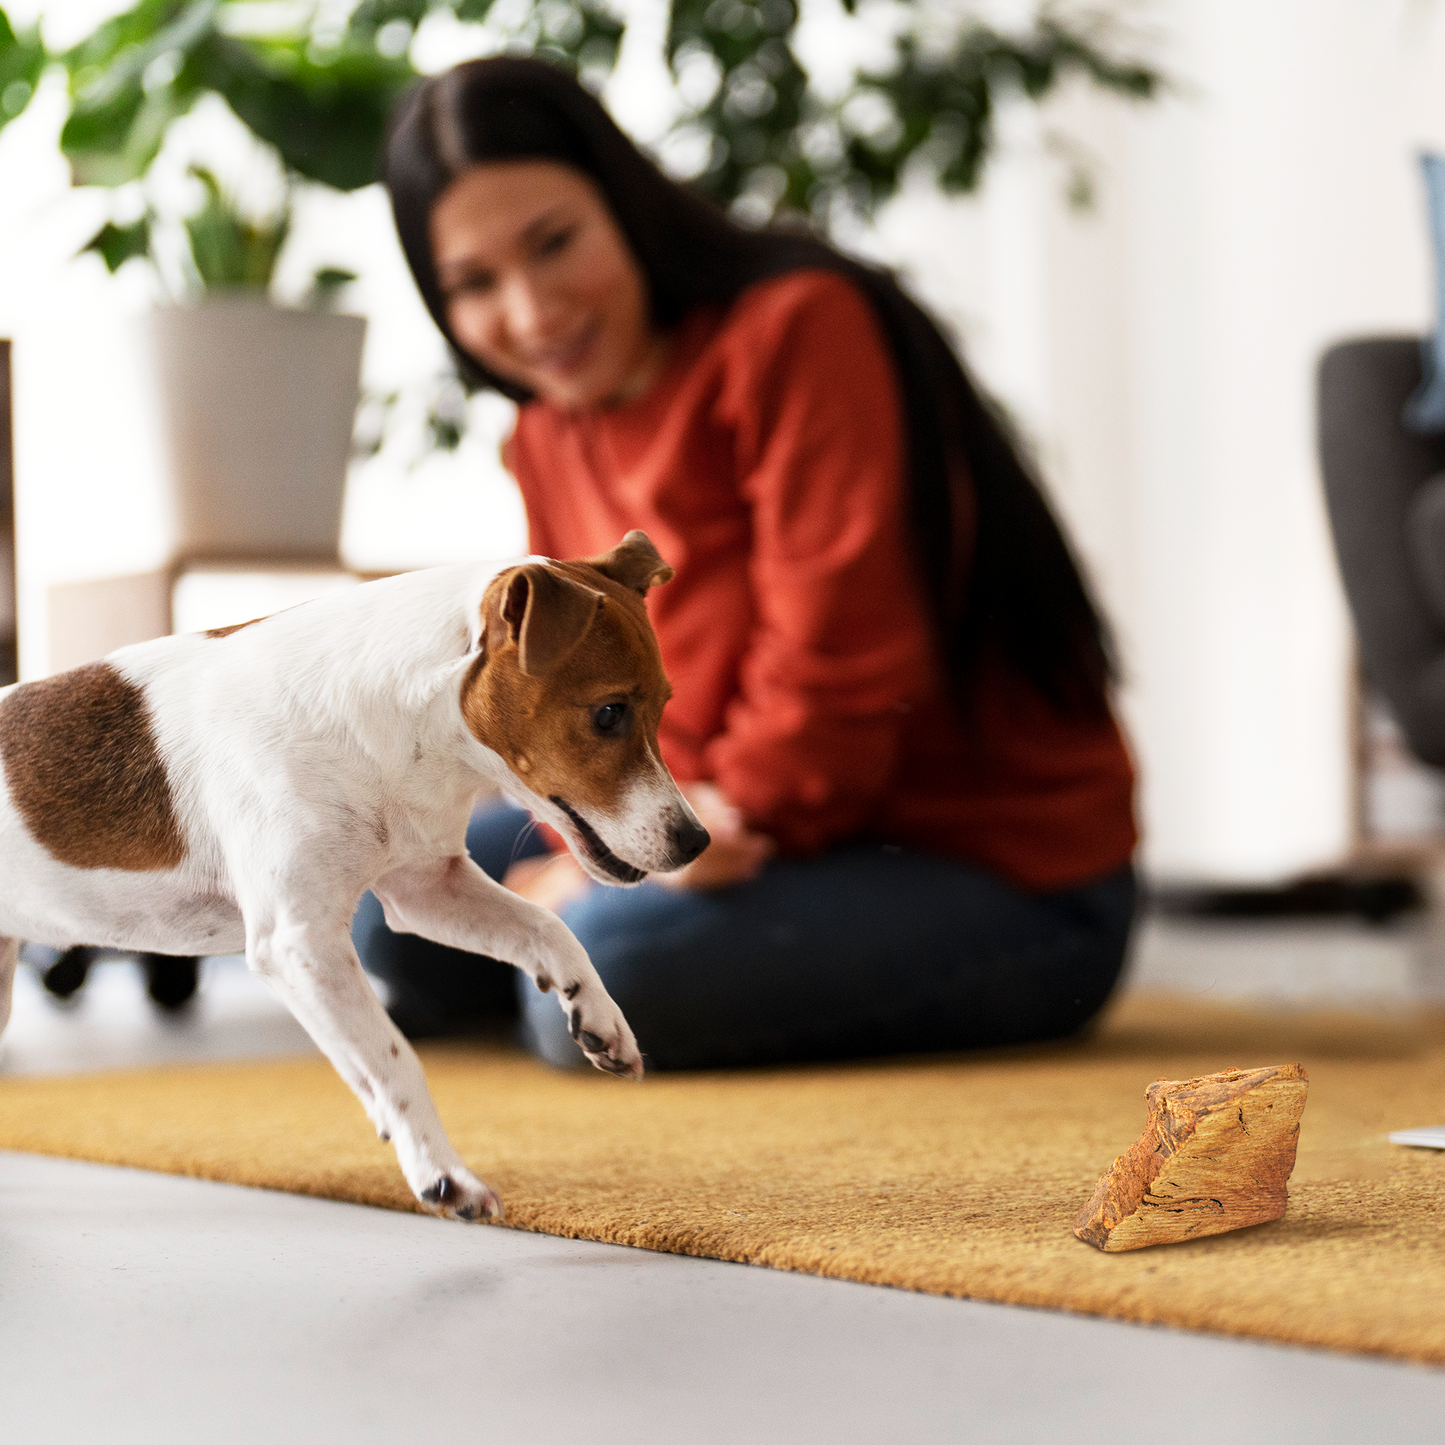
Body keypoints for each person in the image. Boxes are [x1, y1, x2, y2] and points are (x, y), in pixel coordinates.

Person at [355, 55, 1138, 1070]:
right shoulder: (545, 432)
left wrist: (628, 864)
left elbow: (843, 677)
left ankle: (558, 969)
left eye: (555, 243)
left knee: (593, 983)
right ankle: (557, 955)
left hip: (993, 872)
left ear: (624, 203)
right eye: (475, 283)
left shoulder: (798, 328)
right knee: (392, 920)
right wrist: (588, 849)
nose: (533, 310)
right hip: (717, 837)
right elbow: (556, 704)